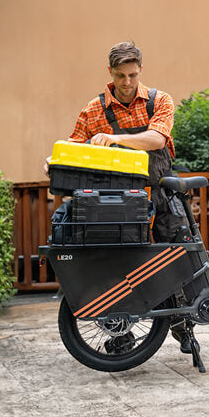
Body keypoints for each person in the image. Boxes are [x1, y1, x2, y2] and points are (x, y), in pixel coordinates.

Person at [44, 41, 191, 352]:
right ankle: (123, 336)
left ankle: (184, 328)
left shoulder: (158, 101)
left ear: (140, 71)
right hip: (117, 208)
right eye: (121, 76)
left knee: (177, 265)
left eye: (133, 75)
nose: (127, 83)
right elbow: (74, 149)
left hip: (161, 198)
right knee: (121, 270)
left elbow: (156, 139)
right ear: (109, 72)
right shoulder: (93, 110)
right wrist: (53, 163)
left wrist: (114, 138)